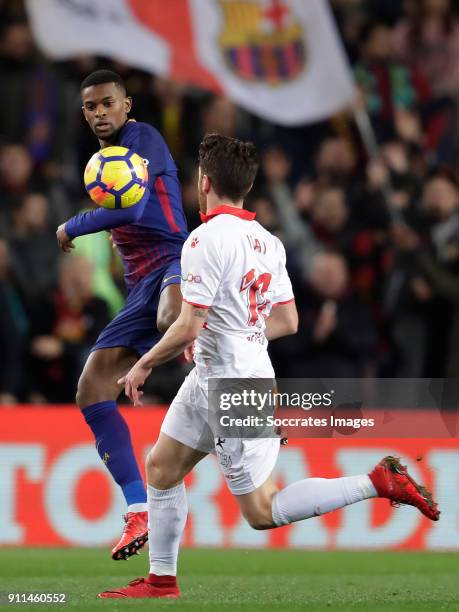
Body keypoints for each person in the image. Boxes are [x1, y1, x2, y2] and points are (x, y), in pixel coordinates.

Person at [99, 134, 440, 599]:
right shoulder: (268, 242)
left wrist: (143, 364)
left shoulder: (204, 239)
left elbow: (189, 322)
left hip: (233, 385)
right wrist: (231, 335)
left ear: (205, 182)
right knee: (160, 468)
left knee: (260, 511)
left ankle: (376, 481)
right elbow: (288, 320)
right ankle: (161, 581)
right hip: (217, 375)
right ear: (249, 185)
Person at [56, 70, 188, 560]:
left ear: (126, 105)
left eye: (107, 103)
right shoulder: (101, 161)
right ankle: (138, 510)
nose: (99, 113)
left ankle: (223, 372)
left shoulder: (144, 138)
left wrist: (73, 225)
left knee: (170, 317)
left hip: (177, 258)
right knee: (91, 389)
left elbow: (132, 210)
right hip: (139, 286)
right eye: (90, 107)